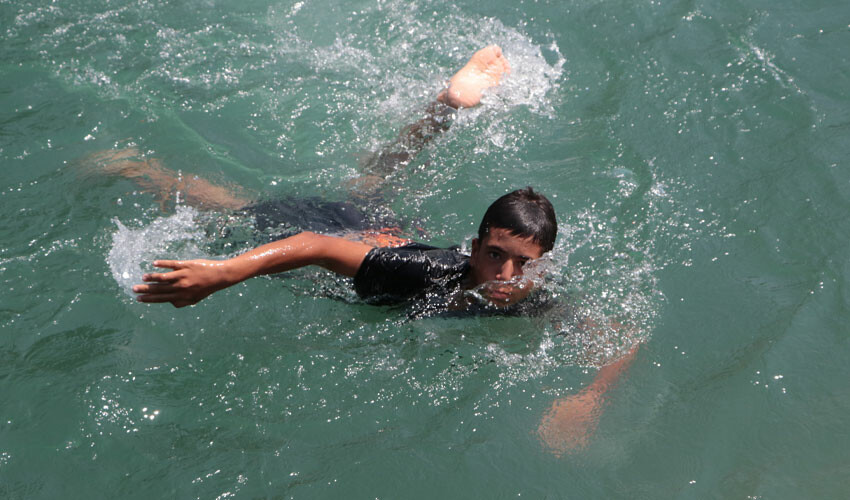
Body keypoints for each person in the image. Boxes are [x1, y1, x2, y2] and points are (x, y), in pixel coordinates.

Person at [93, 45, 635, 454]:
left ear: (545, 264)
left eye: (525, 264)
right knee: (234, 209)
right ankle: (134, 167)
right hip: (340, 234)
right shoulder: (425, 274)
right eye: (496, 254)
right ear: (474, 247)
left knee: (376, 181)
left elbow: (618, 338)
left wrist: (590, 398)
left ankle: (449, 105)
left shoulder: (529, 294)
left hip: (382, 232)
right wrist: (223, 274)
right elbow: (311, 245)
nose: (506, 274)